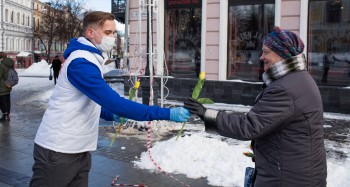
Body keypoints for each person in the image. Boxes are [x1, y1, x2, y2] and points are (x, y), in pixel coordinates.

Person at [30, 11, 190, 187]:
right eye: (107, 33)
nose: (112, 37)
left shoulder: (90, 58)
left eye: (114, 32)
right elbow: (115, 103)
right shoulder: (81, 63)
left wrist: (109, 114)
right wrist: (166, 113)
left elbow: (86, 101)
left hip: (78, 148)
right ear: (91, 33)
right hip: (58, 149)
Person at [185, 26, 327, 187]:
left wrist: (206, 114)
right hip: (296, 172)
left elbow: (248, 126)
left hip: (287, 178)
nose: (261, 57)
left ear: (281, 55)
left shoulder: (285, 88)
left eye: (266, 52)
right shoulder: (298, 79)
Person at [0, 57, 15, 122]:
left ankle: (5, 116)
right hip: (7, 86)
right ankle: (7, 115)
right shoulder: (9, 65)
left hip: (1, 87)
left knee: (2, 102)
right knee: (7, 101)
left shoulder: (1, 66)